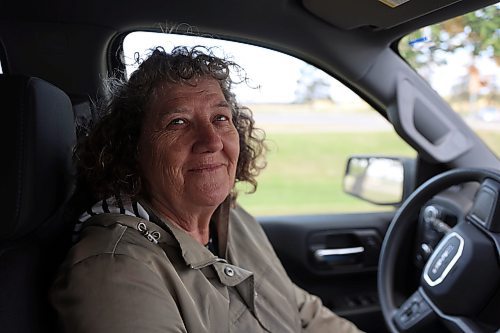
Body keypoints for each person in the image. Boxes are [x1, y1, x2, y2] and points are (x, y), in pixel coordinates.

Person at [50, 46, 363, 333]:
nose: (212, 140)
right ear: (131, 149)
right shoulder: (113, 270)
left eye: (220, 118)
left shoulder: (236, 221)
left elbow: (302, 313)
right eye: (178, 122)